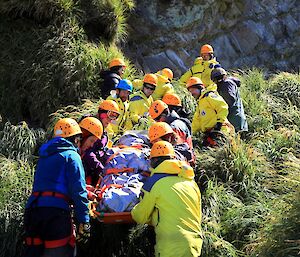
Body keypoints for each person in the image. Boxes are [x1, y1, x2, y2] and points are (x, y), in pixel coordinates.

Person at [23, 118, 90, 257]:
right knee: (61, 252)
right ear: (75, 139)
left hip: (33, 211)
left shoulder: (44, 156)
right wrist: (84, 220)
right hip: (55, 214)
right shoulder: (72, 156)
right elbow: (78, 191)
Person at [131, 141, 202, 257]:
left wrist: (135, 209)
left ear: (154, 161)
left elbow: (140, 216)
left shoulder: (154, 183)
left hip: (170, 247)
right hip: (194, 245)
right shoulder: (191, 182)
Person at [186, 76, 234, 147]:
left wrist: (219, 124)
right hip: (211, 134)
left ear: (200, 88)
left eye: (193, 90)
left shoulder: (209, 96)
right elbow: (196, 122)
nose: (192, 93)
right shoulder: (200, 103)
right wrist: (190, 134)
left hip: (221, 130)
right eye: (190, 91)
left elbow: (222, 107)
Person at [211, 67, 248, 132]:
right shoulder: (228, 83)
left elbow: (229, 100)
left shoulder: (226, 84)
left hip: (234, 121)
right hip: (237, 120)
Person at [79, 116, 106, 187]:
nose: (91, 145)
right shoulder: (72, 155)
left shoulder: (79, 154)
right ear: (83, 136)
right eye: (91, 141)